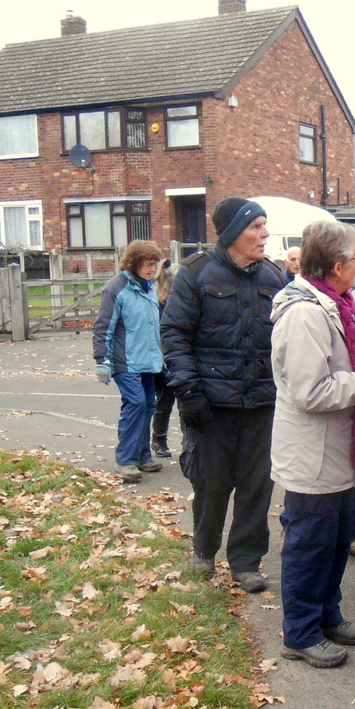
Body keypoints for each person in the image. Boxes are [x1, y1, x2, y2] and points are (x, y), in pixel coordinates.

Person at [270, 221, 355, 668]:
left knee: (336, 542)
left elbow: (344, 364)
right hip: (312, 455)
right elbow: (312, 391)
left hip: (337, 452)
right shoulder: (305, 313)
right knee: (310, 546)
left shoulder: (336, 305)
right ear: (336, 266)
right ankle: (299, 631)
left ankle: (326, 615)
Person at [161, 197, 286, 593]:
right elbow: (174, 334)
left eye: (265, 226)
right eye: (256, 226)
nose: (265, 234)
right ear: (233, 233)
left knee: (256, 486)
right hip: (211, 406)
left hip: (262, 403)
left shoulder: (274, 277)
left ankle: (246, 562)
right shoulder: (196, 274)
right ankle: (203, 551)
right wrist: (189, 392)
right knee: (211, 484)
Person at [93, 240, 167, 483]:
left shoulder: (148, 288)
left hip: (147, 360)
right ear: (133, 263)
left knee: (147, 405)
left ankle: (142, 455)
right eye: (147, 264)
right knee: (135, 403)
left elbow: (152, 326)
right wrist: (102, 359)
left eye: (155, 265)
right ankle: (125, 460)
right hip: (124, 360)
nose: (152, 269)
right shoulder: (116, 288)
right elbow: (104, 326)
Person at [150, 260, 184, 459]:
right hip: (163, 360)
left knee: (182, 403)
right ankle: (159, 439)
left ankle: (185, 442)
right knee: (164, 402)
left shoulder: (181, 302)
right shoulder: (159, 305)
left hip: (178, 359)